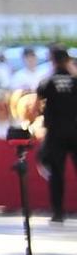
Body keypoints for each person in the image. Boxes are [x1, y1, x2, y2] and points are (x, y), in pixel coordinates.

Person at [36, 45, 77, 221]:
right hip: (75, 130)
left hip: (56, 132)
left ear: (52, 60)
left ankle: (58, 212)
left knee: (56, 173)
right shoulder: (75, 80)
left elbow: (37, 101)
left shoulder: (48, 81)